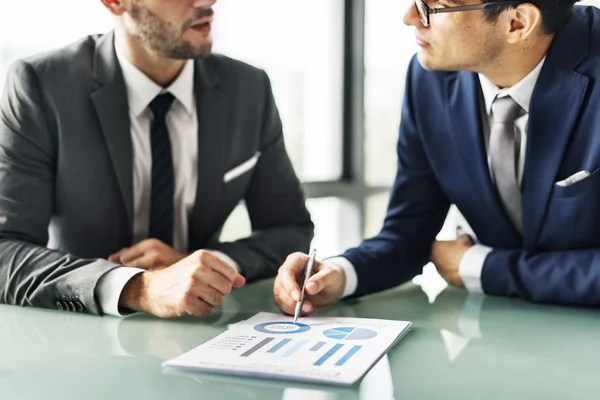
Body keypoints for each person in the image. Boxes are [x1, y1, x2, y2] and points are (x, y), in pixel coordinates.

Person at [274, 0, 600, 315]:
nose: (409, 17)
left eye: (435, 7)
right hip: (493, 334)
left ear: (517, 23)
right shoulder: (431, 76)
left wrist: (483, 267)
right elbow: (409, 232)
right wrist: (337, 273)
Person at [0, 0, 313, 318]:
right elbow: (5, 251)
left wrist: (204, 265)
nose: (208, 1)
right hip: (80, 333)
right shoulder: (42, 86)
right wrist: (138, 287)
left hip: (206, 331)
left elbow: (290, 228)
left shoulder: (249, 89)